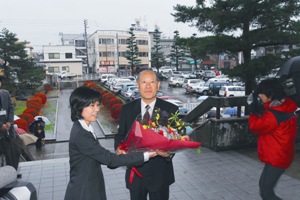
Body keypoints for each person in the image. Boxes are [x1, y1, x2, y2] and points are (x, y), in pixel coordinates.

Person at [64, 86, 157, 200]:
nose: (97, 109)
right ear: (78, 107)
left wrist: (118, 155)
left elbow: (105, 158)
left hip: (90, 186)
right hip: (84, 191)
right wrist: (146, 155)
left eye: (98, 104)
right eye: (92, 105)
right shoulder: (81, 135)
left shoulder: (84, 128)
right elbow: (110, 160)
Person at [114, 70, 179, 200]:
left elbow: (176, 139)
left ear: (158, 85)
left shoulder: (171, 110)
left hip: (160, 173)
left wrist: (170, 152)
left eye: (152, 82)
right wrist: (118, 148)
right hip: (136, 172)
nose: (148, 86)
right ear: (138, 85)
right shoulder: (127, 109)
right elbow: (120, 134)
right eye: (144, 82)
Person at [248, 78, 298, 200]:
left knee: (266, 192)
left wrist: (253, 111)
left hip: (277, 157)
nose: (259, 95)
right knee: (264, 187)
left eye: (262, 93)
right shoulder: (284, 105)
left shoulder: (274, 115)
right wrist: (262, 107)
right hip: (280, 154)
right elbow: (272, 113)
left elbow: (255, 127)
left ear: (271, 94)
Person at [0, 76, 22, 178]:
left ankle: (12, 172)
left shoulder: (5, 93)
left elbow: (10, 108)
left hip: (8, 131)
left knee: (14, 151)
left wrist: (9, 121)